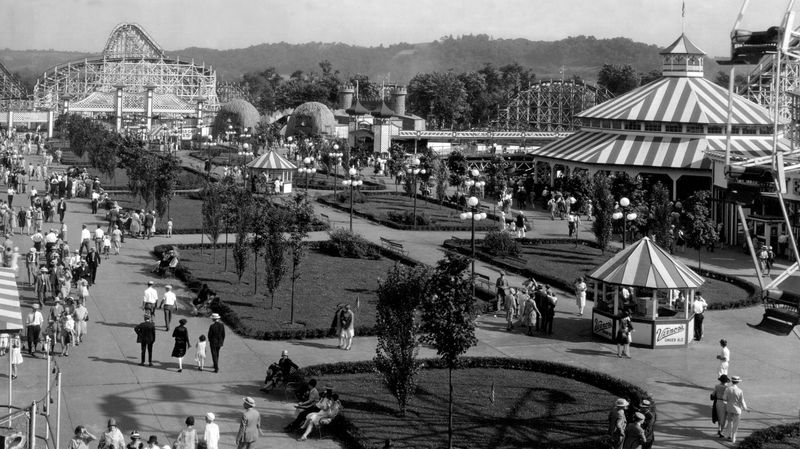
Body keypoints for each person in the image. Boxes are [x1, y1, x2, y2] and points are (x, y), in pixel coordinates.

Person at [723, 375, 749, 443]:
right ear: (738, 382)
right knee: (735, 424)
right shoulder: (740, 391)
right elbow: (742, 401)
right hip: (737, 409)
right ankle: (733, 438)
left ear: (732, 381)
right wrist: (745, 408)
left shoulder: (727, 389)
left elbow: (724, 398)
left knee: (729, 422)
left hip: (729, 408)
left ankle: (728, 435)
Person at [712, 374, 729, 439]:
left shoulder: (717, 386)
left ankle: (719, 429)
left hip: (718, 402)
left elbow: (713, 395)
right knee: (724, 418)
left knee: (719, 416)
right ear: (726, 381)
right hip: (725, 402)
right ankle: (721, 432)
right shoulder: (727, 388)